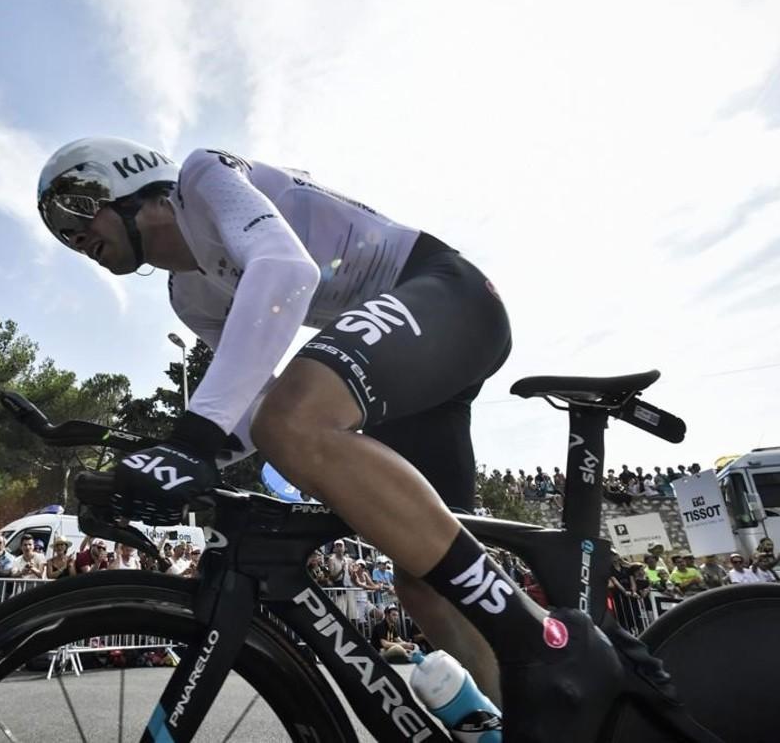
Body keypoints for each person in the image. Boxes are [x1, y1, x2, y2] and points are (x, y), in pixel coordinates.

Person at [39, 137, 631, 736]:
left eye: (71, 210)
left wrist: (191, 441)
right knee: (423, 580)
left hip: (447, 292)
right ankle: (534, 723)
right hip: (404, 360)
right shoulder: (186, 294)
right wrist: (160, 454)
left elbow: (287, 273)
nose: (72, 238)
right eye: (58, 233)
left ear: (124, 180)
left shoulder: (202, 177)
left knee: (297, 422)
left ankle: (541, 637)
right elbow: (251, 407)